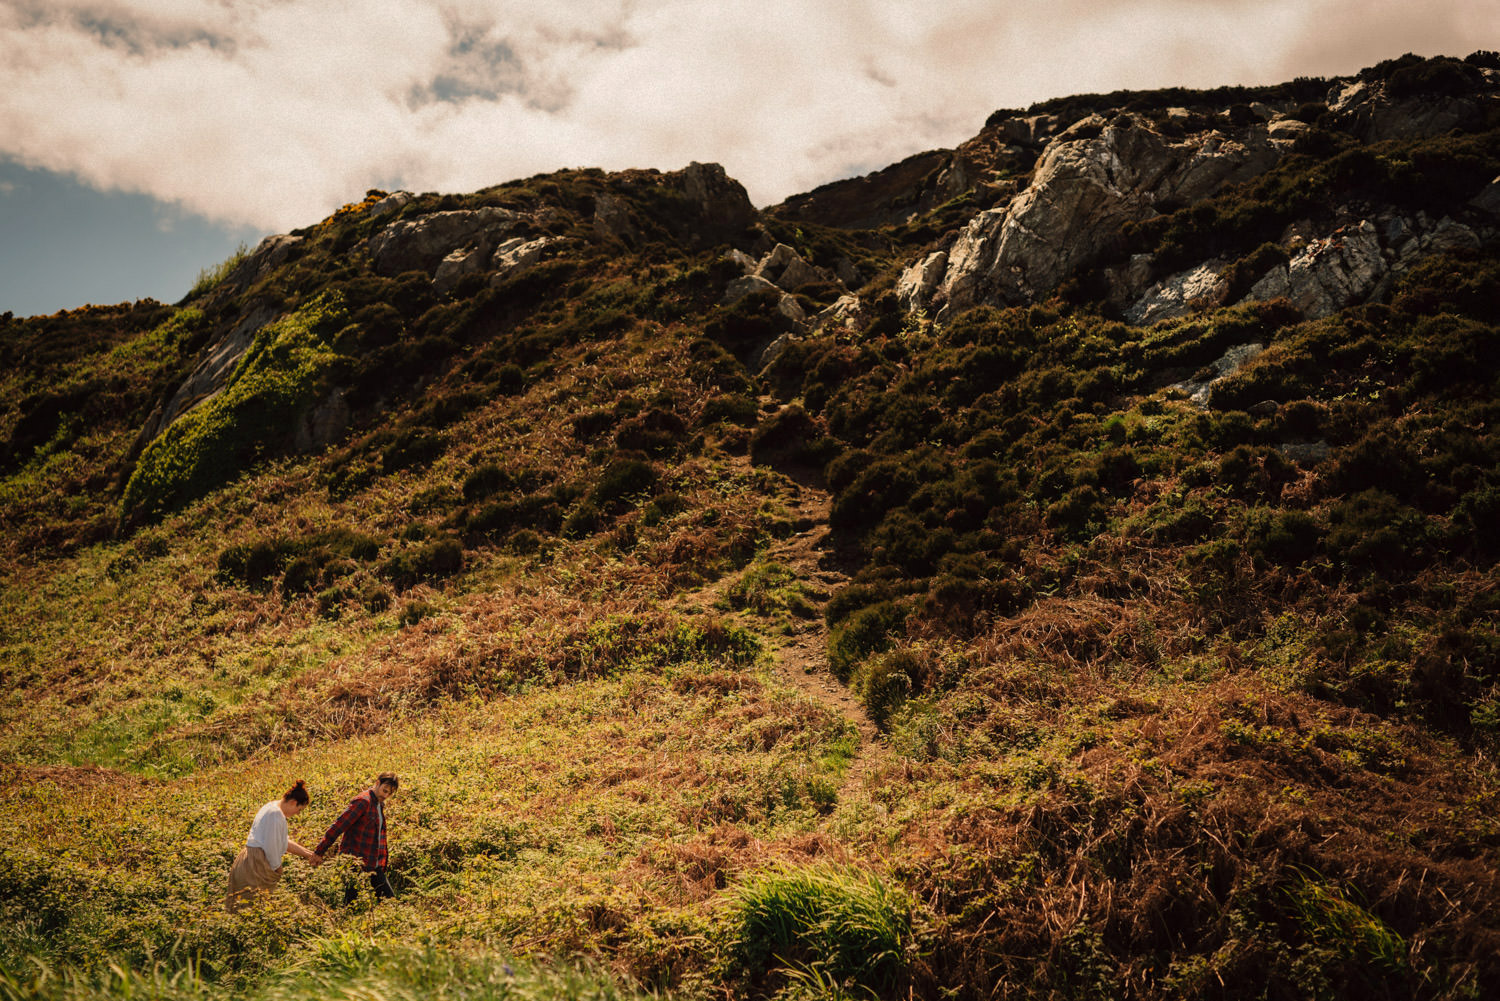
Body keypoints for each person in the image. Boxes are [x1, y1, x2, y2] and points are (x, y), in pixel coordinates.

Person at [225, 780, 321, 912]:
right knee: (251, 907)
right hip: (255, 863)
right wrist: (277, 869)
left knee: (249, 906)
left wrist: (310, 854)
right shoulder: (275, 815)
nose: (297, 814)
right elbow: (272, 848)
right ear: (293, 802)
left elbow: (283, 842)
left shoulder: (272, 807)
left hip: (250, 859)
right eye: (299, 809)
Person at [313, 772, 399, 903]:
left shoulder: (378, 804)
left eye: (389, 793)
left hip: (373, 863)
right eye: (384, 790)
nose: (385, 795)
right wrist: (319, 851)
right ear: (377, 783)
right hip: (355, 862)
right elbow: (338, 826)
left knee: (390, 902)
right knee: (351, 904)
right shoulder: (363, 802)